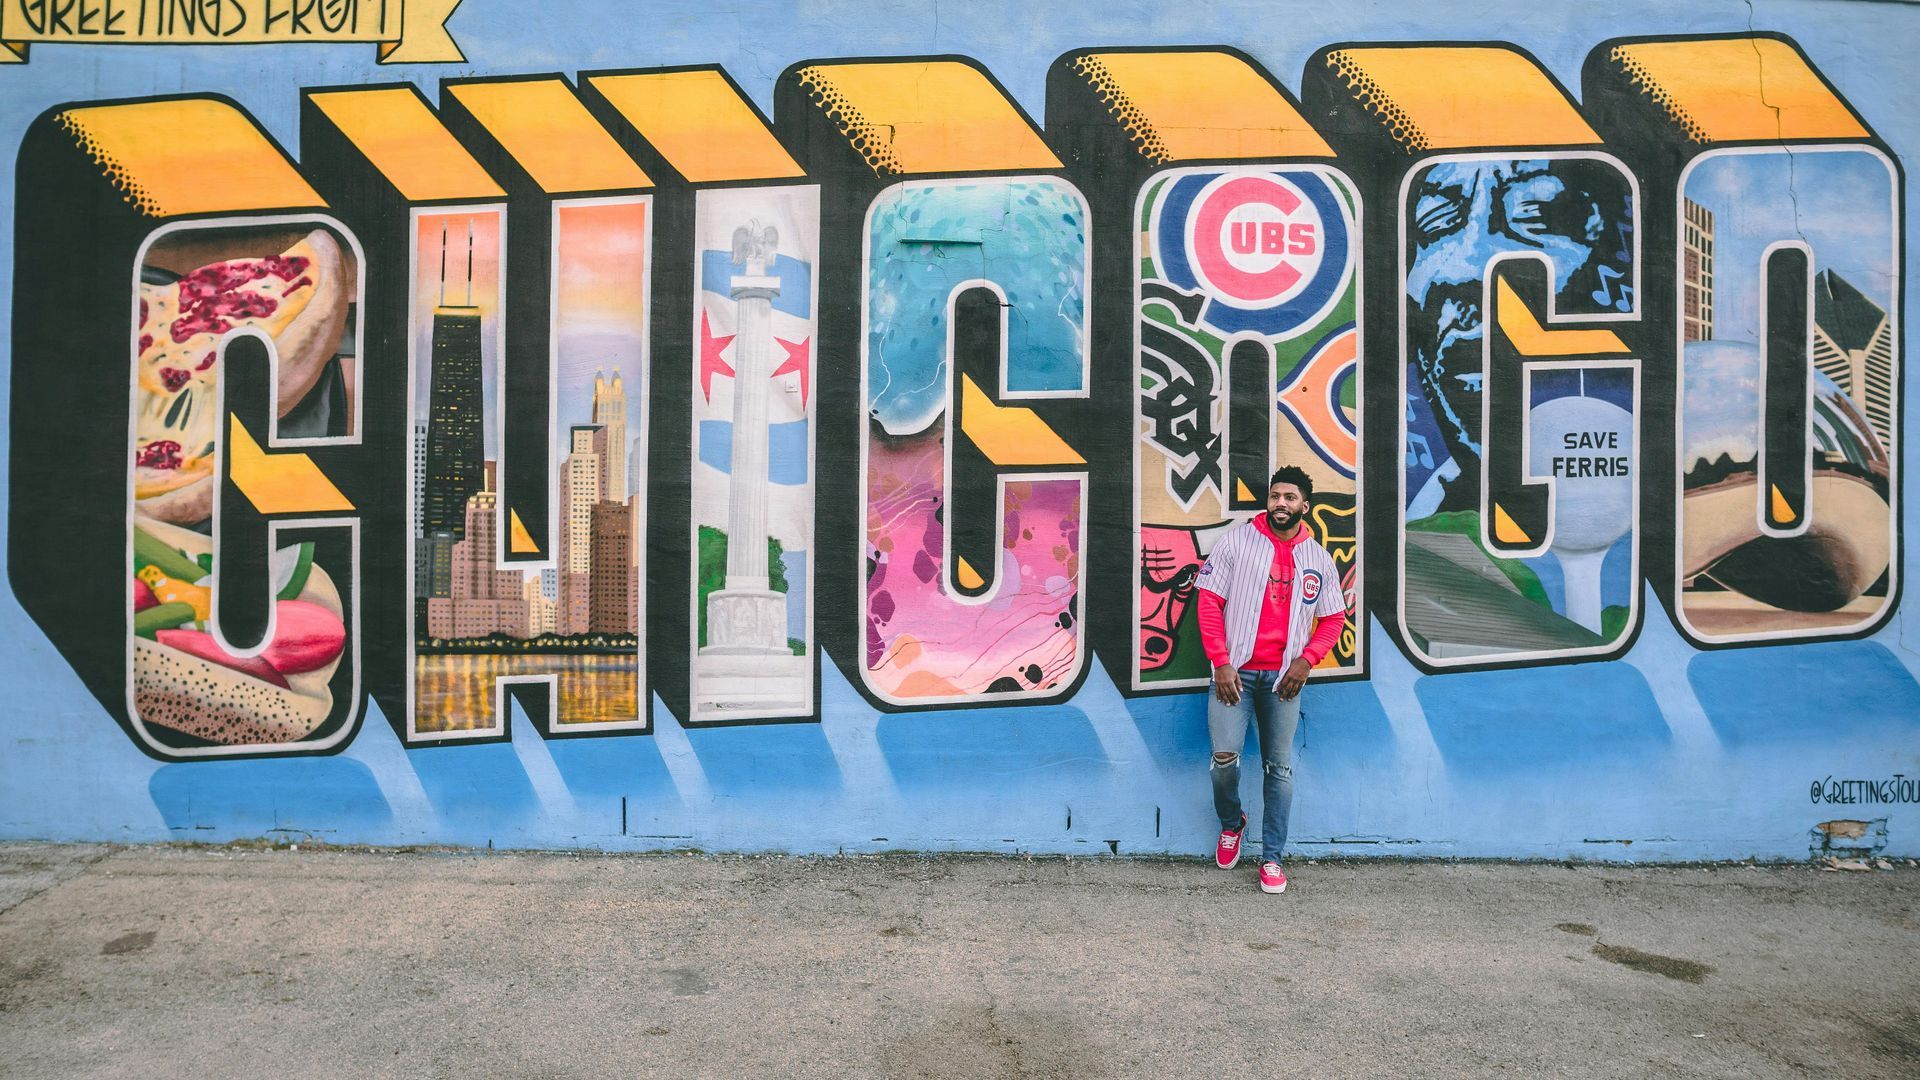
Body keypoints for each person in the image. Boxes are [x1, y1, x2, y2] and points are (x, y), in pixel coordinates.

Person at [1194, 466, 1348, 893]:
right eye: (1275, 495)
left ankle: (1272, 858)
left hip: (1284, 681)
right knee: (1223, 761)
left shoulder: (1317, 558)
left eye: (1290, 497)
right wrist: (1221, 662)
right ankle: (1232, 823)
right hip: (1234, 675)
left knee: (1278, 768)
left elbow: (1333, 618)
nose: (1281, 503)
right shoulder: (1238, 541)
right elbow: (1209, 601)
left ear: (1305, 505)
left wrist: (1306, 661)